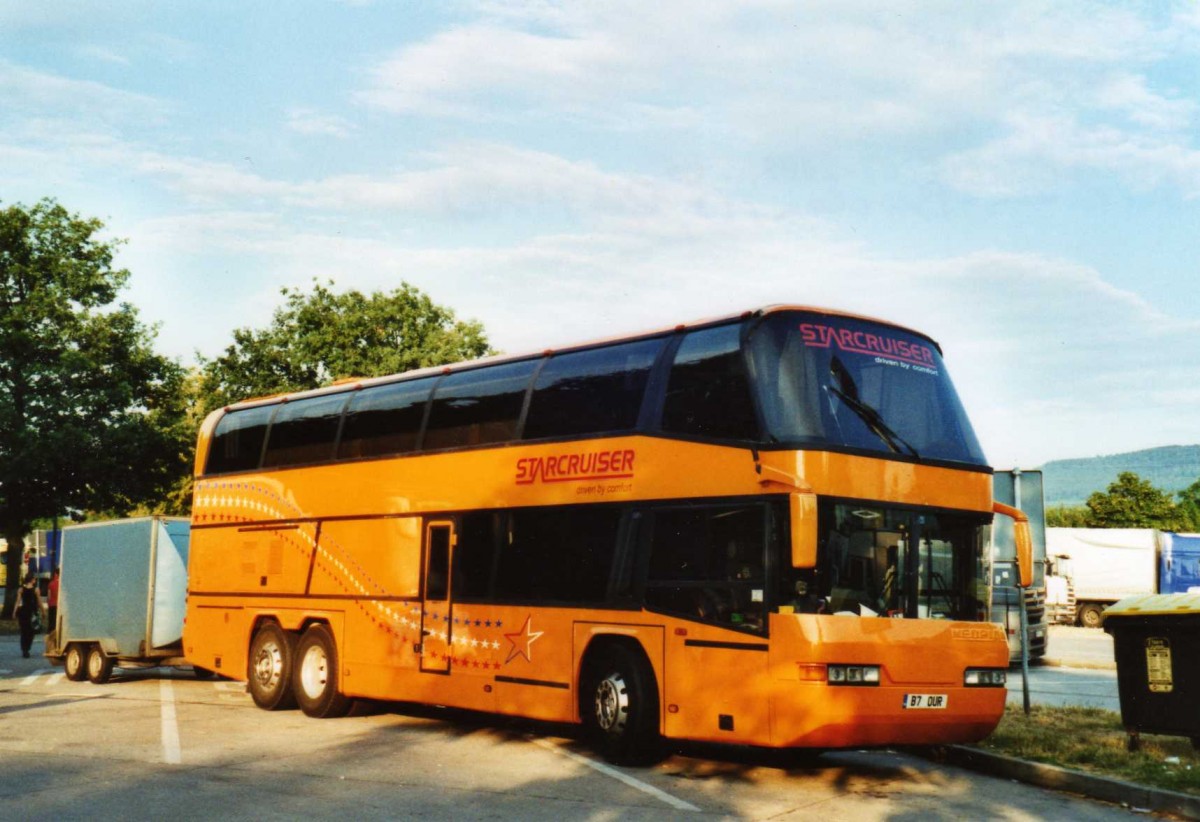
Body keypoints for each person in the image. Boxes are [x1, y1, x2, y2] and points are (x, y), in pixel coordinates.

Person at [15, 574, 43, 658]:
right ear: (31, 580)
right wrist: (43, 611)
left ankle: (24, 649)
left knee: (24, 631)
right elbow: (39, 601)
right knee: (31, 631)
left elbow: (18, 601)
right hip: (32, 612)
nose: (35, 580)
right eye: (34, 579)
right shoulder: (36, 590)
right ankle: (27, 647)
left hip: (23, 611)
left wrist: (14, 611)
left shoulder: (21, 589)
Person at [47, 567, 60, 635]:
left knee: (51, 621)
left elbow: (49, 596)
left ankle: (50, 634)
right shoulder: (61, 584)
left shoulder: (51, 584)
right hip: (59, 605)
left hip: (52, 605)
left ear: (55, 574)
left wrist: (48, 603)